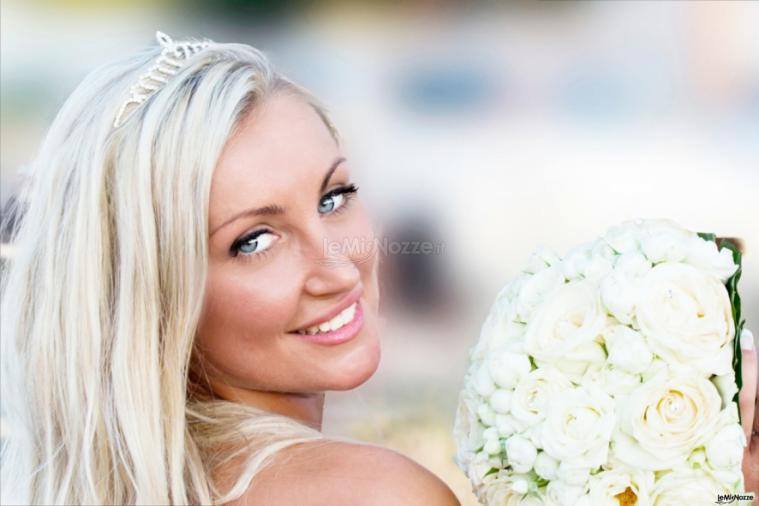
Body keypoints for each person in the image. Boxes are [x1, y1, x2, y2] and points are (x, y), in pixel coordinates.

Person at [0, 31, 460, 505]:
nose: (341, 272)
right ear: (154, 295)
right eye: (254, 241)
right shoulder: (376, 495)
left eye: (332, 198)